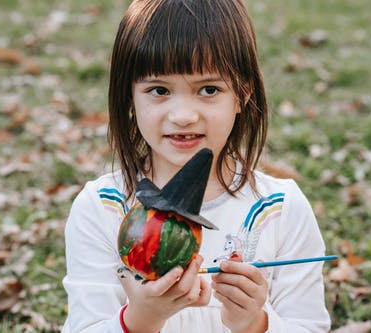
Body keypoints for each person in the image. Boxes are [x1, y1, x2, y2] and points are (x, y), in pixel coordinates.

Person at [62, 0, 331, 332]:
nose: (183, 115)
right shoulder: (102, 209)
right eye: (159, 90)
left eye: (208, 89)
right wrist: (142, 318)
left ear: (243, 93)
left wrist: (254, 323)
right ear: (129, 97)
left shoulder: (281, 211)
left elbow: (309, 326)